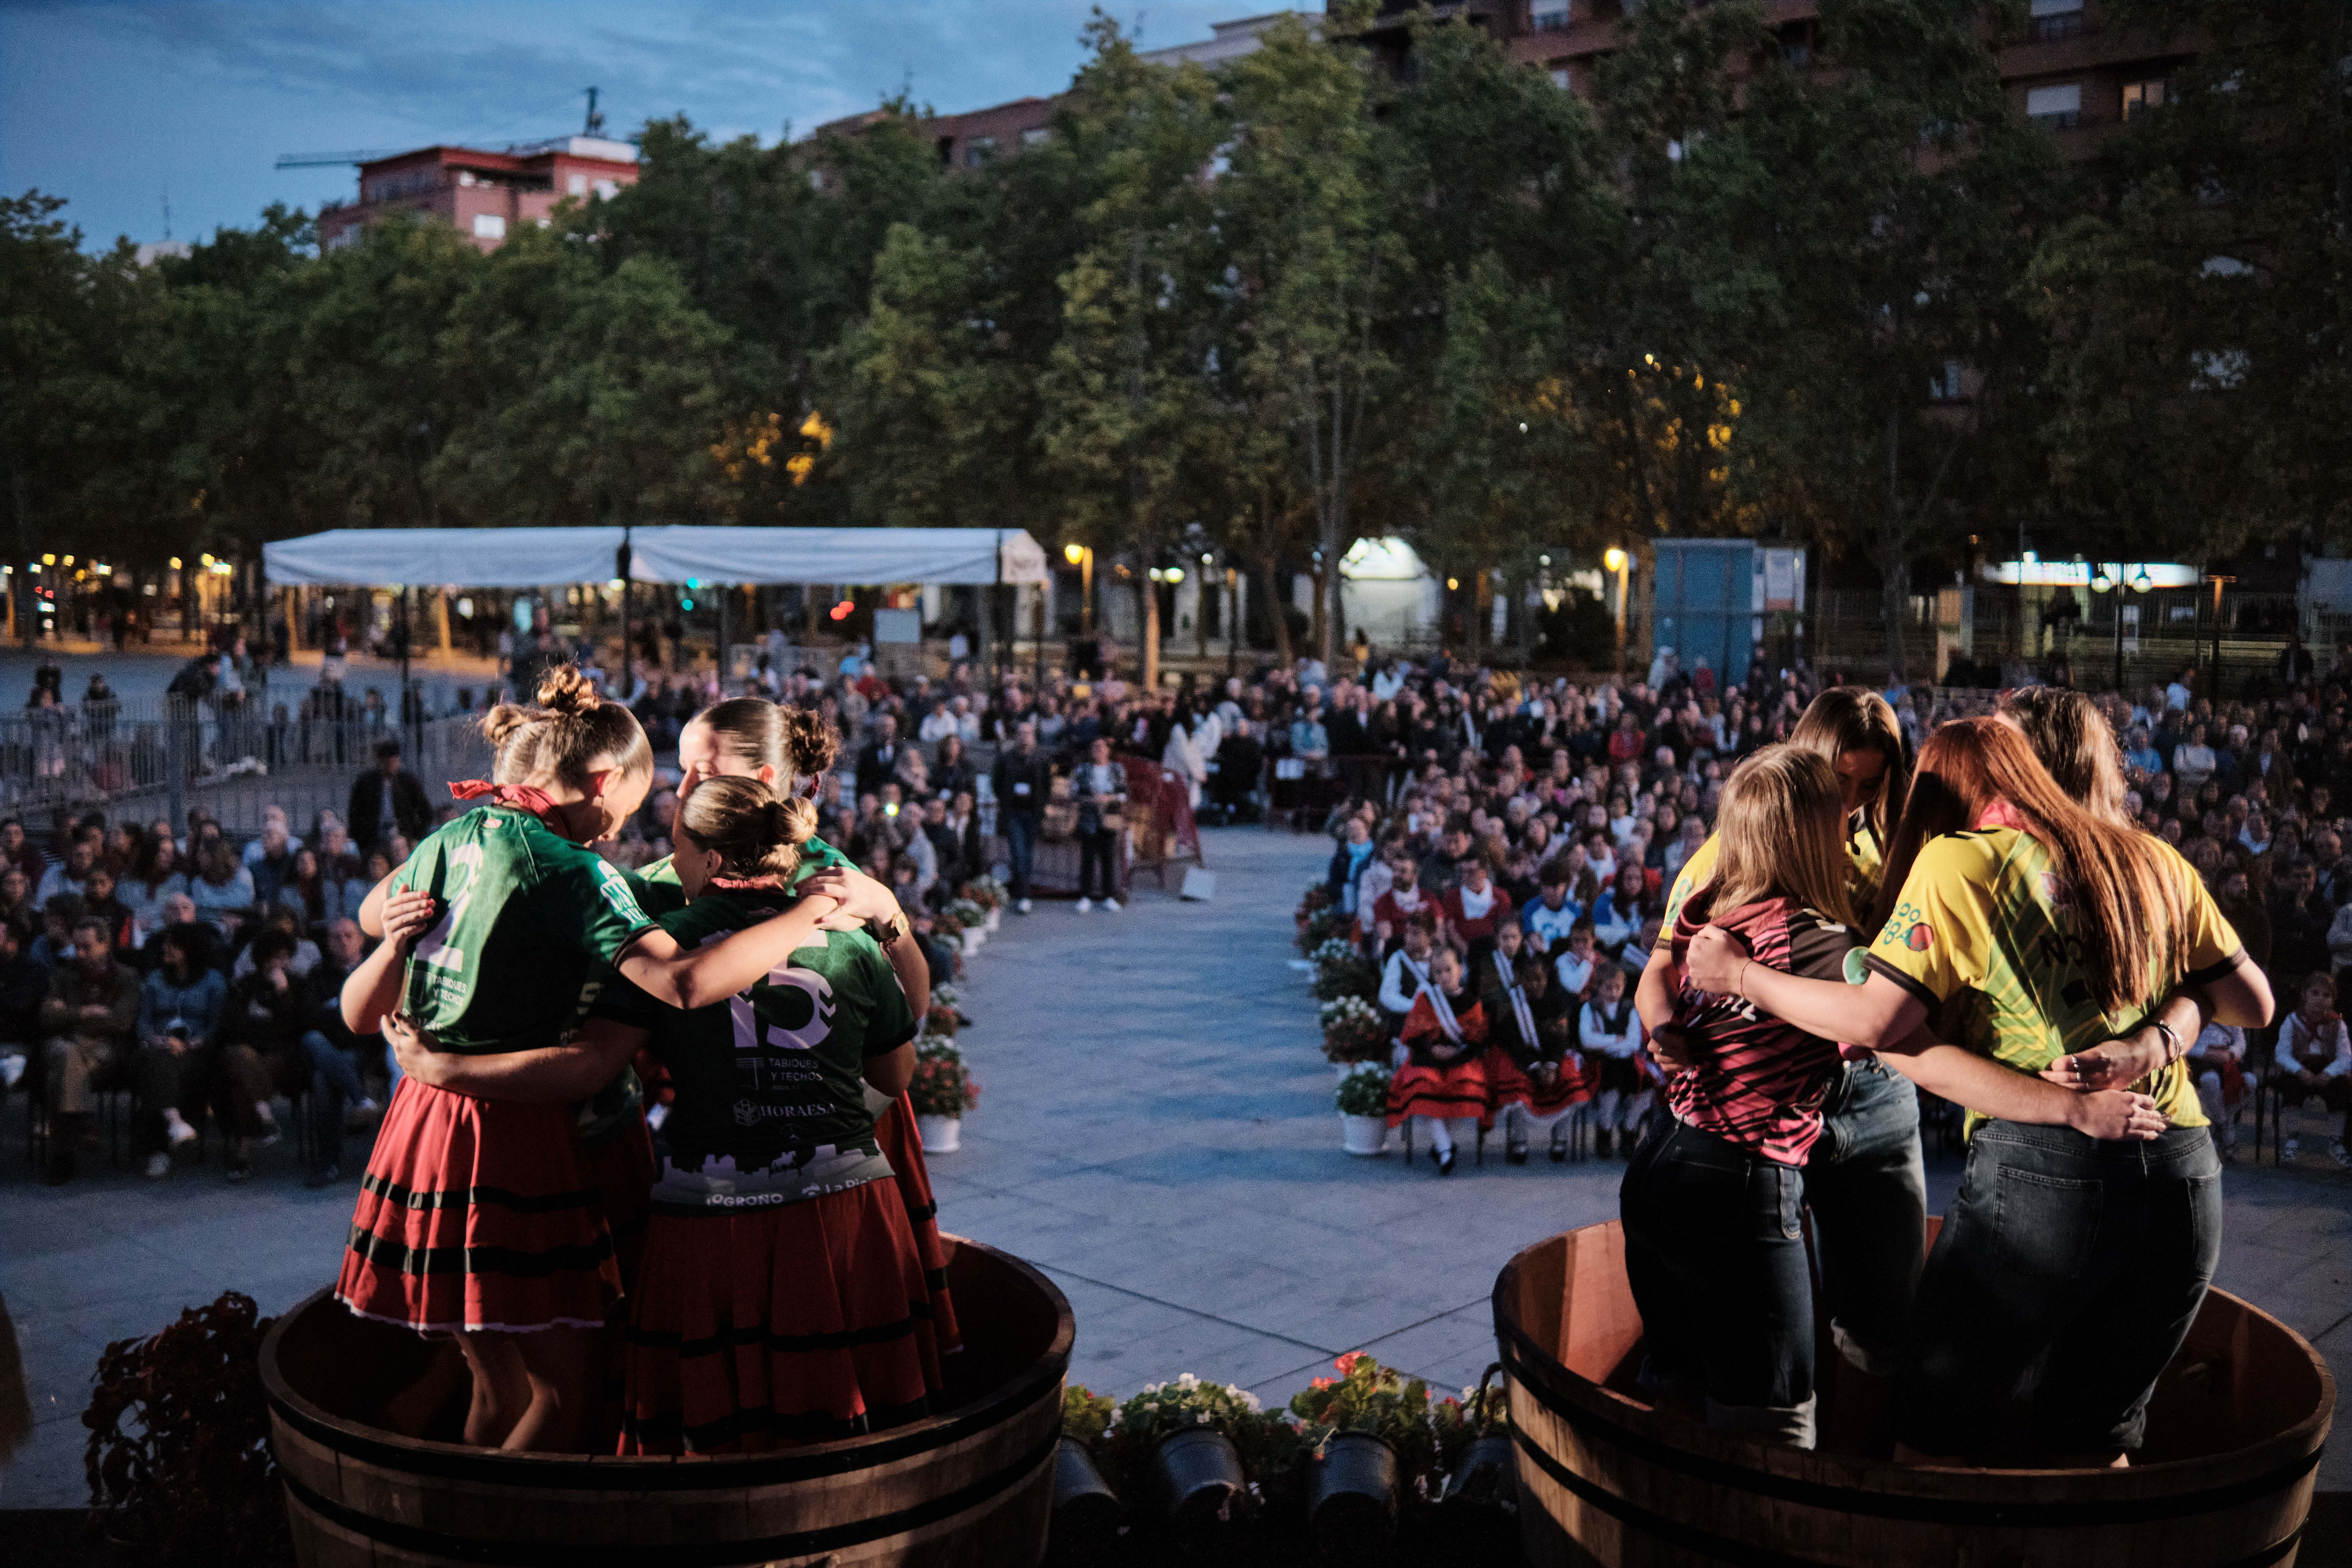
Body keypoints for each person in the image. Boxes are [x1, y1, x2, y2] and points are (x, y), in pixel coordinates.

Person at [334, 668, 900, 1454]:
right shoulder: (586, 872)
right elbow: (684, 982)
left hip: (431, 1125)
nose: (652, 811)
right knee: (571, 1385)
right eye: (643, 797)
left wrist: (398, 937)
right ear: (601, 783)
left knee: (501, 1380)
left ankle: (453, 1520)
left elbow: (370, 917)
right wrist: (811, 914)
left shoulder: (454, 834)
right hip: (526, 1130)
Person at [1686, 719, 2270, 1466]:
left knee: (1935, 1433)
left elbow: (1881, 1023)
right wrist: (2156, 1041)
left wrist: (1741, 978)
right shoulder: (2151, 857)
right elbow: (2251, 1004)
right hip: (2185, 1172)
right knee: (2097, 1438)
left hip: (2050, 1173)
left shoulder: (1964, 860)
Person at [1644, 686, 1922, 1381]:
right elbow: (1660, 969)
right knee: (1765, 1334)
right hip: (1767, 1111)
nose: (1854, 801)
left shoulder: (1907, 852)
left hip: (1876, 1094)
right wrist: (1662, 1029)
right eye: (1840, 781)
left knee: (1883, 1323)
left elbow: (1888, 1010)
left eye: (1871, 782)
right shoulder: (1737, 845)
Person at [35, 915, 142, 1185]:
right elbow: (47, 1016)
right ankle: (84, 1120)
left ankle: (63, 1154)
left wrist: (69, 1016)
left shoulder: (126, 977)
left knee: (62, 1066)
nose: (80, 954)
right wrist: (85, 1012)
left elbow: (121, 1021)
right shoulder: (64, 974)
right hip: (66, 1043)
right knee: (66, 1055)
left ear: (105, 945)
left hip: (104, 1048)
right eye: (77, 948)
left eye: (87, 948)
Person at [130, 923, 227, 1180]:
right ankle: (175, 1123)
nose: (166, 948)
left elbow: (215, 1027)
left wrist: (190, 1044)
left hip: (196, 1052)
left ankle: (158, 1152)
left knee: (158, 1069)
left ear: (191, 948)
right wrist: (160, 1041)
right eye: (165, 943)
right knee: (156, 1061)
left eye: (173, 944)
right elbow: (143, 1023)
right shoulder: (155, 979)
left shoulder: (213, 981)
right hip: (158, 1047)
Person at [1385, 943, 1489, 1175]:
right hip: (1427, 1058)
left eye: (1448, 970)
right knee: (1423, 1085)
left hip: (1461, 1058)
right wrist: (1432, 1049)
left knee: (1466, 1087)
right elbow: (1412, 1035)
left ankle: (1443, 1146)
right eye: (1438, 972)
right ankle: (1444, 1149)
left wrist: (1457, 1053)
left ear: (1461, 970)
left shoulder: (1473, 1003)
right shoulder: (1426, 1000)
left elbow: (1478, 1042)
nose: (1444, 976)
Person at [215, 928, 309, 1181]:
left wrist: (283, 995)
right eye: (276, 957)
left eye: (286, 957)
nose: (282, 963)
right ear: (262, 959)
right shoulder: (244, 986)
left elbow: (297, 1027)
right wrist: (268, 1027)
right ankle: (264, 1115)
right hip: (247, 1053)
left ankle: (244, 1152)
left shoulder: (297, 986)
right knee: (240, 1056)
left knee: (243, 1076)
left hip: (283, 1057)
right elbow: (231, 1026)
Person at [1482, 948, 1584, 1164]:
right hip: (1520, 1058)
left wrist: (1552, 1066)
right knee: (1516, 1082)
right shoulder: (1507, 1005)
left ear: (1547, 978)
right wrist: (1536, 1066)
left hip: (1552, 1057)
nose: (1535, 984)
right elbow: (1510, 1043)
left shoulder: (1557, 1002)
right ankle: (1519, 1141)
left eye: (1540, 979)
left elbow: (1562, 1039)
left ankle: (1560, 1138)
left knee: (1569, 1078)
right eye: (1529, 979)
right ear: (1519, 978)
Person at [299, 917, 380, 1187]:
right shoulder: (318, 974)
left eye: (348, 936)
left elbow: (376, 1017)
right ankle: (360, 1097)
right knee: (312, 1039)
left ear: (360, 940)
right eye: (336, 937)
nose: (342, 942)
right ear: (328, 943)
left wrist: (336, 1012)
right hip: (328, 1046)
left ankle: (329, 1163)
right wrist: (349, 1016)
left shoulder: (374, 970)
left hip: (363, 1050)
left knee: (324, 1080)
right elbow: (310, 1016)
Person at [2271, 971, 2352, 1167]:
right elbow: (2282, 1054)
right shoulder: (2292, 1021)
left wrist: (2329, 1073)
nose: (2321, 1000)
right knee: (2291, 1087)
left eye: (2327, 996)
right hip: (2301, 1069)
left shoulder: (2337, 1024)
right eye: (2315, 993)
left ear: (2333, 1000)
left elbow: (2346, 1056)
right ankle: (2292, 1137)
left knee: (2342, 1088)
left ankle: (2336, 1141)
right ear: (2305, 995)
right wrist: (2299, 1070)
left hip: (2327, 1069)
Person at [1580, 962, 1648, 1157]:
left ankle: (1629, 1129)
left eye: (1617, 988)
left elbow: (1634, 1043)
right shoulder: (1590, 1008)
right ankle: (1605, 1130)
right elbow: (1587, 1041)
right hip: (1601, 1062)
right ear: (1598, 987)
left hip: (1626, 1060)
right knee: (1611, 1090)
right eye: (1608, 988)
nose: (1613, 992)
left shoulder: (1630, 1008)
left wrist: (1605, 1043)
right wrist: (1616, 1040)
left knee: (1647, 1089)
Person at [991, 721, 1051, 915]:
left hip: (1033, 813)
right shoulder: (1006, 759)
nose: (1024, 737)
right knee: (1019, 852)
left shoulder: (1041, 759)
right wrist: (1005, 799)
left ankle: (1022, 892)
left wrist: (1041, 804)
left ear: (1033, 736)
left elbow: (1046, 785)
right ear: (1016, 736)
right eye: (1021, 734)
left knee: (1028, 853)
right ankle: (1023, 895)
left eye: (1028, 734)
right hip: (1013, 813)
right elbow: (996, 782)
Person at [347, 737, 433, 856]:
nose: (391, 766)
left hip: (404, 839)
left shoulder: (408, 782)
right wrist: (363, 841)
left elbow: (426, 812)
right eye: (387, 762)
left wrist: (416, 837)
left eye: (394, 762)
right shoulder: (366, 783)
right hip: (374, 841)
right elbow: (355, 815)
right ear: (380, 762)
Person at [1073, 735, 1125, 913]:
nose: (1099, 750)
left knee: (1108, 858)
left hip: (1110, 820)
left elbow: (1124, 794)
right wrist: (1091, 800)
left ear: (1108, 750)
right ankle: (1085, 896)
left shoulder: (1117, 769)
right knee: (1087, 859)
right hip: (1089, 820)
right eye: (1095, 747)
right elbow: (1075, 795)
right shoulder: (1084, 770)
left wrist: (1109, 798)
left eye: (1102, 747)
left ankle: (1109, 896)